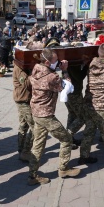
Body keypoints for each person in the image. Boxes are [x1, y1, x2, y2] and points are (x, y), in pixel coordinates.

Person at [28, 48, 80, 186]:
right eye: (55, 60)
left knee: (38, 144)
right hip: (46, 115)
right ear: (46, 62)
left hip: (36, 112)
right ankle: (63, 169)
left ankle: (32, 175)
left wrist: (56, 68)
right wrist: (64, 70)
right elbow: (68, 86)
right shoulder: (52, 77)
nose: (57, 62)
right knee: (67, 139)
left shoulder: (36, 69)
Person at [13, 61, 34, 162]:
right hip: (23, 101)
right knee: (35, 127)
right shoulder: (19, 68)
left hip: (25, 99)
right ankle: (25, 152)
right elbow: (25, 83)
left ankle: (21, 150)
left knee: (23, 125)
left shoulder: (24, 65)